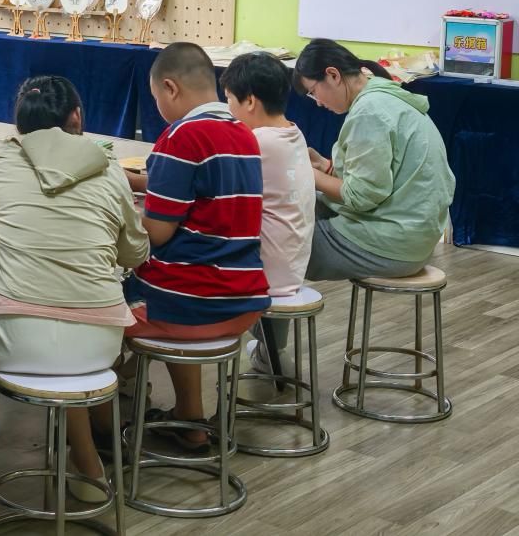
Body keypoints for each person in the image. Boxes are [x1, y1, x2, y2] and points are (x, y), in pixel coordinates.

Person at [0, 75, 149, 526]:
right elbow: (135, 253)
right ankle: (88, 469)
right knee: (65, 346)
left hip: (13, 336)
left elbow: (1, 213)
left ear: (19, 124)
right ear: (76, 116)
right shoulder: (111, 171)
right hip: (99, 345)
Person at [124, 42, 269, 447]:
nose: (158, 108)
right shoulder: (243, 134)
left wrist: (122, 213)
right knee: (172, 273)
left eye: (156, 97)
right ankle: (189, 418)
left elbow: (156, 234)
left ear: (170, 88)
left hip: (193, 303)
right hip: (243, 299)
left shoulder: (181, 136)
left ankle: (103, 419)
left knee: (97, 307)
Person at [293, 38, 455, 281]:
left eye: (313, 91)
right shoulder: (384, 94)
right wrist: (326, 167)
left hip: (389, 246)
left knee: (275, 242)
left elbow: (362, 196)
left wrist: (306, 174)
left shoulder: (369, 111)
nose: (316, 101)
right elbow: (381, 177)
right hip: (412, 239)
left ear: (333, 75)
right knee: (295, 208)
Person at [220, 51, 316, 371]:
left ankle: (184, 347)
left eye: (229, 100)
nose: (228, 110)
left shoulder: (254, 141)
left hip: (264, 275)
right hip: (292, 267)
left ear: (250, 101)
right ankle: (268, 353)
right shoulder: (293, 132)